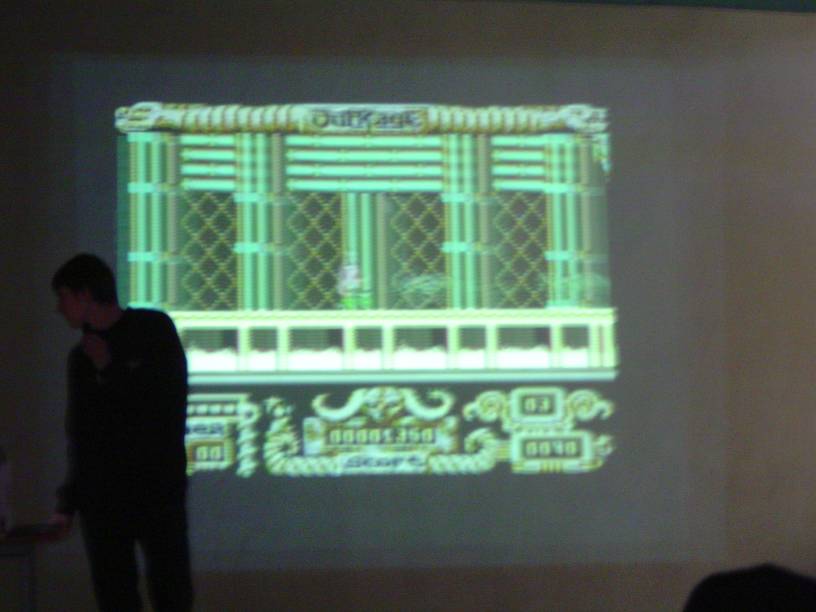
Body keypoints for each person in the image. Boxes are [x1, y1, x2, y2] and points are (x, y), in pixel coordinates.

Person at [50, 253, 193, 612]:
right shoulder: (80, 358)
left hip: (157, 492)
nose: (59, 308)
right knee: (114, 596)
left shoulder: (153, 330)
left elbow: (165, 408)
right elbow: (82, 435)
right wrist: (68, 503)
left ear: (85, 295)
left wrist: (109, 368)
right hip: (103, 502)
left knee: (172, 591)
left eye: (63, 296)